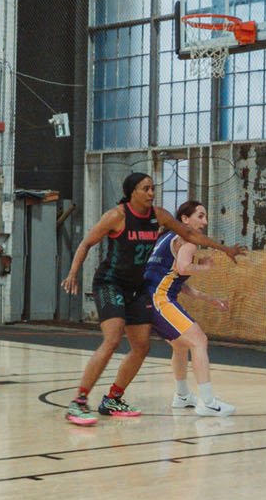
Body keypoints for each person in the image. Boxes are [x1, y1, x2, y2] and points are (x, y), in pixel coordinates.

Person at [61, 172, 244, 425]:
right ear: (132, 192)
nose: (151, 193)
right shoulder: (117, 216)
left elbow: (191, 235)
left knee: (142, 346)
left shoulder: (158, 216)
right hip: (110, 283)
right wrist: (72, 273)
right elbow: (86, 243)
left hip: (137, 287)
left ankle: (113, 398)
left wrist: (224, 249)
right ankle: (78, 401)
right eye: (145, 188)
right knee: (113, 339)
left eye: (153, 188)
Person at [144, 200, 235, 417]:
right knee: (199, 340)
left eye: (205, 217)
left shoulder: (165, 237)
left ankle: (182, 396)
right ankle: (209, 402)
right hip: (160, 300)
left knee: (180, 346)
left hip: (150, 297)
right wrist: (204, 267)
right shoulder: (188, 240)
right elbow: (183, 268)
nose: (204, 222)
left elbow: (175, 279)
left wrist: (208, 298)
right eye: (200, 216)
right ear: (185, 219)